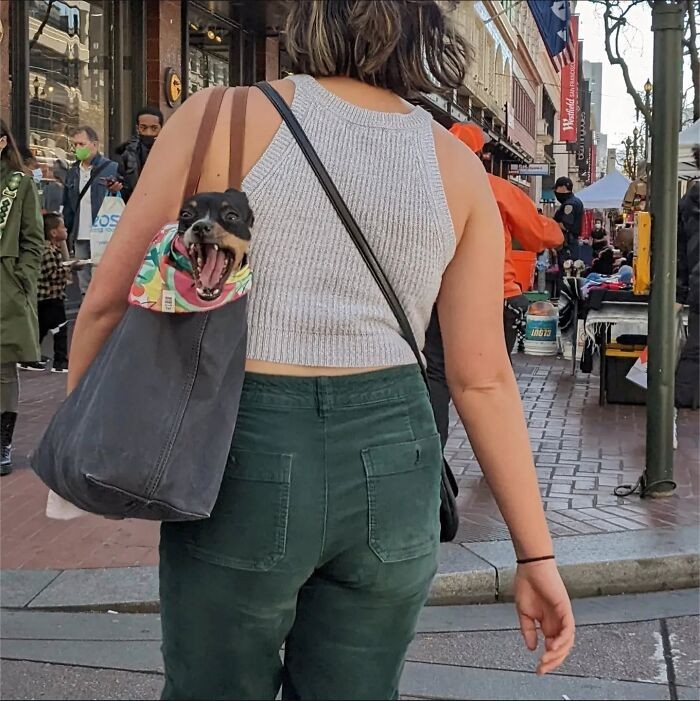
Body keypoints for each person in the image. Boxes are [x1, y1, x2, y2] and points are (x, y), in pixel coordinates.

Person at [67, 2, 574, 697]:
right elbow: (481, 378)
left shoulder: (221, 117)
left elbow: (106, 302)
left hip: (244, 445)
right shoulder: (457, 167)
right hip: (397, 458)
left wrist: (90, 445)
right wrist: (535, 554)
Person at [424, 122, 563, 447]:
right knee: (489, 382)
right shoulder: (495, 188)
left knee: (435, 376)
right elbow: (540, 235)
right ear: (482, 155)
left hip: (437, 297)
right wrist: (556, 228)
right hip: (496, 294)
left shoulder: (425, 185)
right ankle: (499, 456)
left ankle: (434, 453)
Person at [0, 119, 44, 475]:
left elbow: (34, 238)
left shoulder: (19, 183)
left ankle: (2, 443)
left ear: (2, 142)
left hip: (5, 284)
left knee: (3, 367)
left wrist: (22, 277)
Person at [19, 213, 79, 374]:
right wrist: (71, 267)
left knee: (42, 328)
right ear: (53, 232)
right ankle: (60, 362)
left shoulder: (49, 250)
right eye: (62, 227)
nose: (66, 229)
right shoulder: (48, 252)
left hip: (46, 297)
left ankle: (29, 357)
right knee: (60, 329)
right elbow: (54, 274)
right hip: (51, 297)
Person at [62, 126, 118, 294]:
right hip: (80, 234)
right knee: (84, 281)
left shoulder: (111, 168)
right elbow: (68, 205)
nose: (78, 148)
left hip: (103, 232)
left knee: (102, 278)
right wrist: (66, 231)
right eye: (75, 144)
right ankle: (85, 306)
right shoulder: (73, 171)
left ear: (94, 144)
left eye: (82, 144)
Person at [675, 146, 700, 411]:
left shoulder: (687, 203)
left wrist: (680, 292)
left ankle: (682, 400)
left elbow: (679, 254)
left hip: (697, 288)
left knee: (695, 348)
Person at [113, 106, 164, 202]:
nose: (148, 133)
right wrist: (115, 189)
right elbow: (120, 187)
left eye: (154, 128)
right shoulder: (125, 154)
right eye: (143, 128)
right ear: (137, 128)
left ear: (161, 128)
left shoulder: (171, 153)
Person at [553, 176, 584, 264]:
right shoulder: (575, 201)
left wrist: (552, 223)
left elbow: (566, 225)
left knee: (566, 269)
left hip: (567, 245)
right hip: (571, 244)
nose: (555, 191)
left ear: (563, 188)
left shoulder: (569, 204)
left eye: (556, 188)